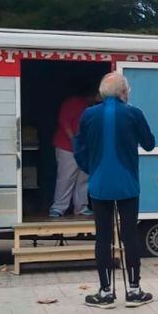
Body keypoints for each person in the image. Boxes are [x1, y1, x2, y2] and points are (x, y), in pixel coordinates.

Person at [73, 72, 156, 309]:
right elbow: (149, 144)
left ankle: (105, 292)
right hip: (128, 183)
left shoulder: (88, 114)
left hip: (99, 183)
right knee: (130, 235)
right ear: (123, 92)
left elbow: (79, 147)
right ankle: (134, 290)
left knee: (103, 236)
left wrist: (91, 168)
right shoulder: (134, 113)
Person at [50, 82, 95, 218]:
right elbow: (64, 121)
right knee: (66, 177)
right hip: (67, 147)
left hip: (83, 148)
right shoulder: (73, 102)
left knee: (83, 178)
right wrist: (73, 140)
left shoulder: (90, 107)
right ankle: (58, 207)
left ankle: (81, 207)